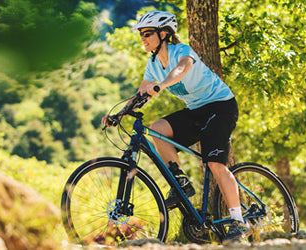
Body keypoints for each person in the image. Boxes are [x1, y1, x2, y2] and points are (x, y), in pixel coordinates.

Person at [102, 10, 246, 243]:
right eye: (141, 34)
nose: (143, 38)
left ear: (163, 34)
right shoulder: (153, 64)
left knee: (214, 163)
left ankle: (238, 222)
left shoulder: (182, 51)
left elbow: (182, 69)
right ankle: (181, 182)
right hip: (196, 110)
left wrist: (161, 85)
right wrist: (117, 114)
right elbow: (140, 93)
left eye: (147, 33)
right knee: (157, 129)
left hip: (221, 106)